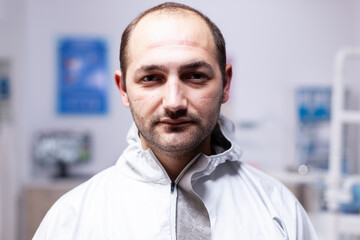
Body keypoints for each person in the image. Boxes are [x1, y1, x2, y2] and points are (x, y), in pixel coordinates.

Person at [33, 2, 318, 239]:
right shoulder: (70, 219)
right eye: (150, 78)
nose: (174, 102)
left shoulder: (278, 210)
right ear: (123, 89)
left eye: (195, 76)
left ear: (226, 84)